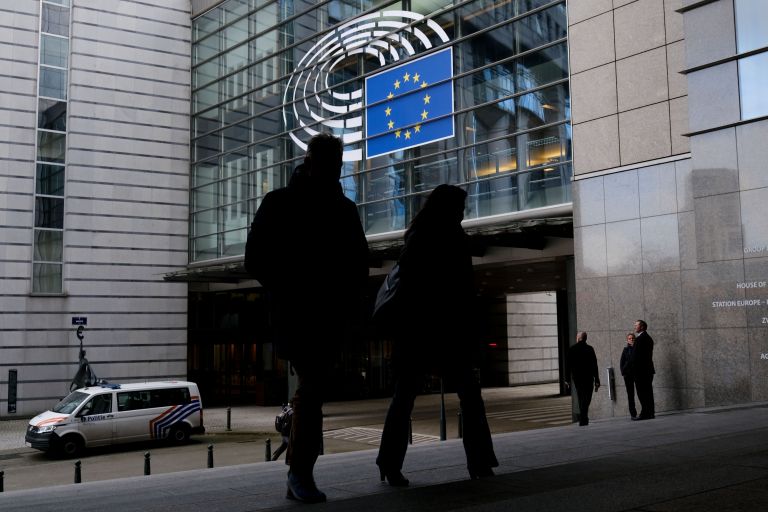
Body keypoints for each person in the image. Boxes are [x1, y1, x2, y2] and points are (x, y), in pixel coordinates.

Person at [245, 133, 369, 503]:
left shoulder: (292, 204)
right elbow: (358, 265)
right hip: (304, 313)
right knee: (312, 390)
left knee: (312, 391)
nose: (335, 170)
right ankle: (300, 472)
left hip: (315, 313)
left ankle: (297, 465)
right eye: (332, 163)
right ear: (315, 163)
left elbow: (358, 266)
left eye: (337, 164)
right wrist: (296, 287)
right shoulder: (323, 207)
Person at [375, 184, 498, 485]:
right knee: (469, 397)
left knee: (404, 398)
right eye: (460, 208)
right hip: (443, 331)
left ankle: (389, 464)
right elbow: (463, 291)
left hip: (420, 333)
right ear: (449, 208)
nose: (463, 213)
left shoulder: (419, 236)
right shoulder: (449, 238)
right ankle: (480, 462)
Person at [565, 331, 600, 426]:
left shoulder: (572, 349)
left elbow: (568, 366)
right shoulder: (590, 349)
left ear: (578, 338)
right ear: (585, 338)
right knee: (587, 397)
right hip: (588, 377)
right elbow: (594, 365)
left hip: (577, 378)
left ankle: (583, 417)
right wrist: (597, 379)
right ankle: (583, 418)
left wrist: (567, 379)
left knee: (581, 397)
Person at [631, 319, 655, 420]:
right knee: (648, 392)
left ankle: (645, 413)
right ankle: (650, 413)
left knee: (642, 392)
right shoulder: (648, 338)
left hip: (641, 371)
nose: (635, 327)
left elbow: (636, 357)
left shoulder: (640, 339)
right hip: (647, 370)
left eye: (636, 325)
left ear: (642, 327)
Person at [619, 333, 637, 419]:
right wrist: (623, 372)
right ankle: (633, 414)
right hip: (628, 375)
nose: (631, 339)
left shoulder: (638, 349)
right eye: (630, 338)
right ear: (627, 340)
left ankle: (644, 411)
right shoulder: (625, 350)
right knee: (630, 394)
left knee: (641, 393)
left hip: (637, 374)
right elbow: (621, 362)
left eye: (633, 338)